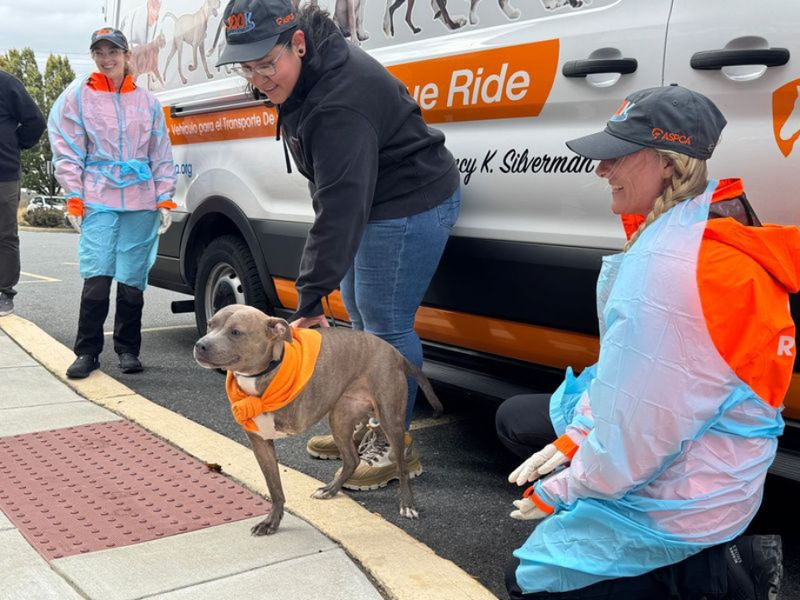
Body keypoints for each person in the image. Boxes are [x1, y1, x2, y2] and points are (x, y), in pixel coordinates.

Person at [497, 85, 797, 599]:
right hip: (720, 463)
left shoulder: (671, 267)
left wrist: (565, 486)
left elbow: (642, 431)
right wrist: (580, 434)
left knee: (532, 582)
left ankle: (716, 576)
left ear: (666, 164)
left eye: (616, 156)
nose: (600, 169)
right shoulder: (700, 232)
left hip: (694, 497)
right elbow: (637, 382)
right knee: (519, 422)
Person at [216, 0, 461, 489]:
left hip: (406, 200)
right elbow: (332, 189)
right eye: (246, 67)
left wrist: (309, 298)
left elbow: (341, 205)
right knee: (360, 318)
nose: (258, 79)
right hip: (370, 200)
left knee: (385, 326)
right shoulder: (303, 75)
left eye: (266, 64)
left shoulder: (339, 101)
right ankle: (357, 420)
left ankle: (394, 442)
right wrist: (320, 287)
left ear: (297, 44)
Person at [48, 28, 176, 379]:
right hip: (98, 197)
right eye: (100, 52)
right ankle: (87, 351)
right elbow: (67, 148)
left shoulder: (147, 102)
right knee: (98, 275)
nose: (107, 59)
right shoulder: (79, 97)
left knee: (133, 279)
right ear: (93, 56)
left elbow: (160, 153)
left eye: (113, 52)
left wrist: (164, 197)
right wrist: (74, 196)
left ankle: (128, 350)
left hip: (140, 199)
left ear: (126, 55)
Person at [0, 69, 46, 317]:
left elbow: (35, 121)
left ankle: (4, 292)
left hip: (3, 174)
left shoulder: (6, 83)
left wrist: (15, 143)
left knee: (4, 234)